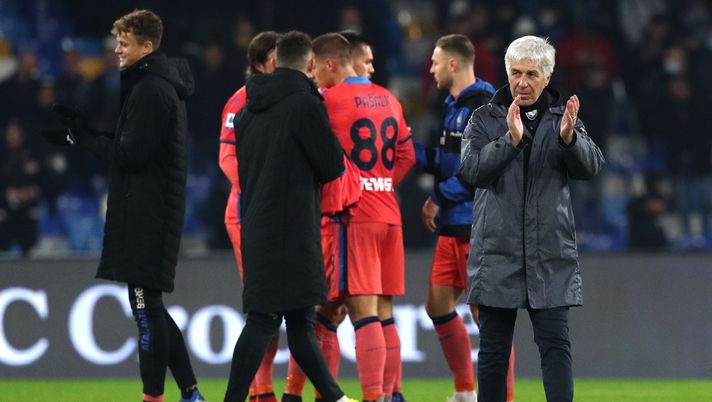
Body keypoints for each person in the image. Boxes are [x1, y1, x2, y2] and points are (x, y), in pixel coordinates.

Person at [42, 9, 205, 402]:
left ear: (146, 46)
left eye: (124, 43)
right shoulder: (156, 86)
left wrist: (82, 138)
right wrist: (87, 132)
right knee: (154, 310)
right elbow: (133, 143)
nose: (116, 49)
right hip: (153, 210)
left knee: (146, 312)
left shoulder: (150, 90)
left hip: (146, 215)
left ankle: (154, 398)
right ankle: (191, 394)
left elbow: (130, 155)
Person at [458, 35, 604, 402]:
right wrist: (510, 139)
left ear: (548, 76)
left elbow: (591, 167)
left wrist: (571, 139)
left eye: (531, 74)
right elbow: (472, 172)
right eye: (515, 73)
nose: (522, 82)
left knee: (555, 346)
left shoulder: (563, 119)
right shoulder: (486, 117)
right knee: (493, 352)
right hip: (497, 252)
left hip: (549, 253)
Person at [224, 30, 355, 402]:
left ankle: (335, 397)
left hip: (257, 224)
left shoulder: (247, 110)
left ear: (276, 61)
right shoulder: (305, 105)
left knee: (297, 321)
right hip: (294, 227)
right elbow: (331, 166)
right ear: (311, 65)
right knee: (269, 321)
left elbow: (245, 171)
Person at [310, 32, 415, 402]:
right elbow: (407, 155)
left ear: (339, 62)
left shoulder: (328, 99)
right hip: (390, 212)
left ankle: (372, 397)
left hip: (356, 215)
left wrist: (356, 187)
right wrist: (380, 183)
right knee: (383, 311)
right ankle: (392, 393)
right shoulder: (390, 98)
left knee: (360, 311)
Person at [415, 34, 508, 402]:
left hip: (477, 224)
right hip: (452, 225)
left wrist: (438, 196)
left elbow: (480, 170)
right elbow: (447, 163)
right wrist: (408, 149)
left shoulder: (483, 106)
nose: (431, 69)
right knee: (438, 305)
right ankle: (466, 392)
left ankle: (501, 396)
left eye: (436, 62)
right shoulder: (451, 106)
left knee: (489, 320)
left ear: (454, 63)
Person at [219, 30, 282, 402]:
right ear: (259, 63)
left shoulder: (296, 98)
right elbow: (227, 158)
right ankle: (261, 392)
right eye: (277, 58)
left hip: (286, 218)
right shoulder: (239, 101)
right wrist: (262, 190)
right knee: (265, 310)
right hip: (248, 215)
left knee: (290, 311)